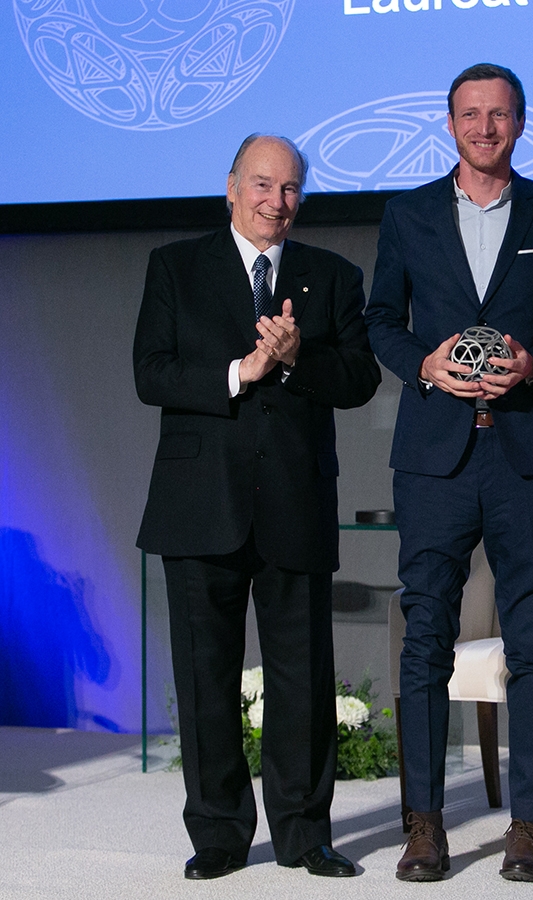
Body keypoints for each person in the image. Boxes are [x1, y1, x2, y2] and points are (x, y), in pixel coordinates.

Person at [364, 63, 533, 883]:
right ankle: (425, 825)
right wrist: (425, 364)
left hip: (526, 454)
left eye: (499, 115)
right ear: (449, 124)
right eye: (471, 114)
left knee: (530, 638)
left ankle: (528, 826)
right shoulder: (407, 215)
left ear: (520, 123)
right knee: (426, 635)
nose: (484, 127)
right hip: (434, 458)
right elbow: (378, 322)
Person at [134, 134, 381, 880]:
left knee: (303, 677)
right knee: (205, 674)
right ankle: (217, 835)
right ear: (233, 187)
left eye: (292, 189)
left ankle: (306, 835)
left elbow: (362, 378)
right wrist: (244, 370)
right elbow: (152, 373)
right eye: (264, 186)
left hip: (294, 503)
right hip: (198, 501)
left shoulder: (330, 277)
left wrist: (300, 357)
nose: (278, 203)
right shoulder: (176, 265)